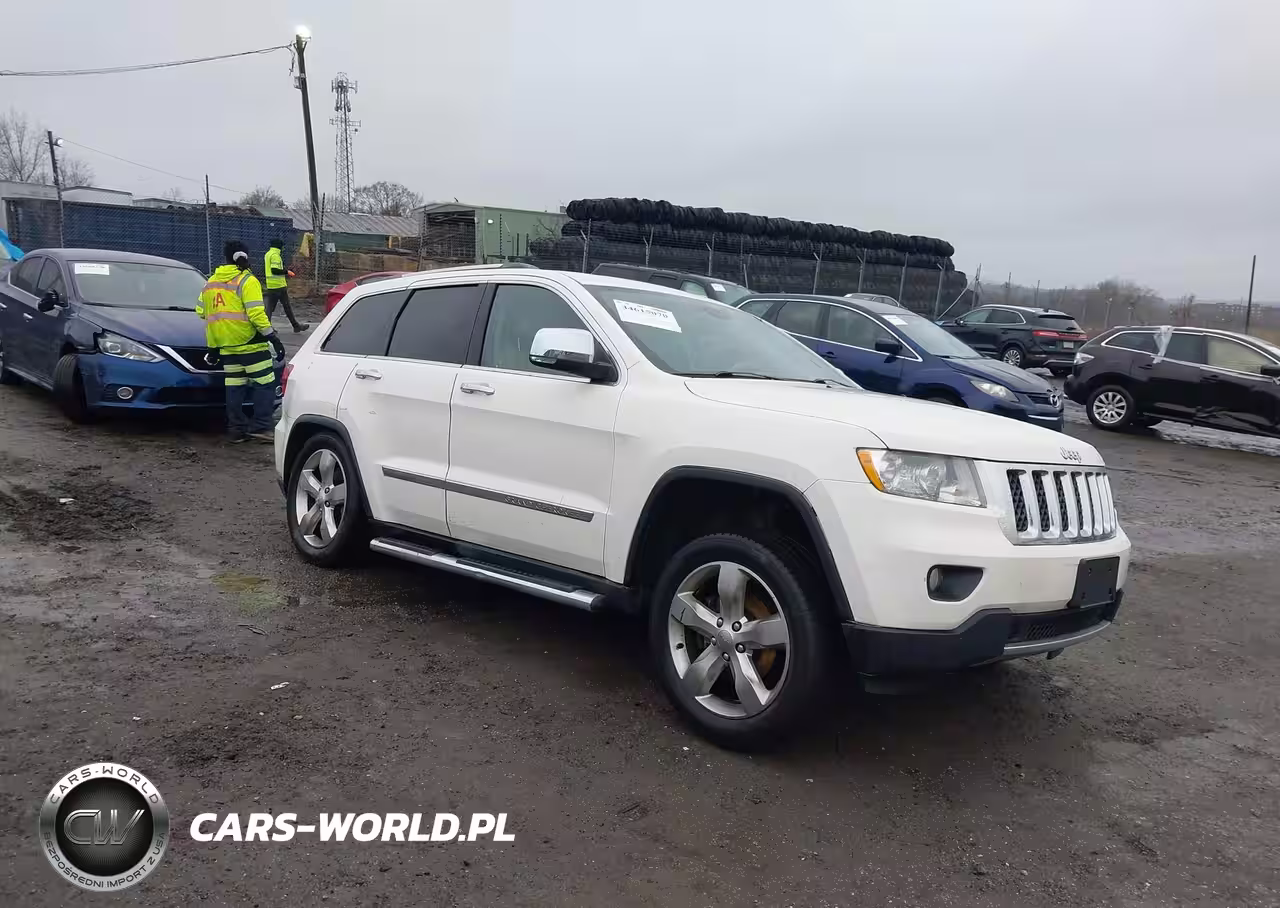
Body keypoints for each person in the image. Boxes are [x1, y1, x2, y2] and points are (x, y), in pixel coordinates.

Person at [196, 240, 287, 443]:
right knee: (265, 383)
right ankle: (261, 427)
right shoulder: (247, 280)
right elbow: (256, 314)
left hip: (226, 345)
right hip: (250, 343)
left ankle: (236, 430)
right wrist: (272, 337)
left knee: (235, 386)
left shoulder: (210, 282)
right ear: (244, 256)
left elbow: (201, 311)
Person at [263, 237, 308, 332]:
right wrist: (287, 272)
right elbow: (274, 270)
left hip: (272, 285)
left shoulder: (268, 254)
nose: (283, 248)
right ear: (279, 246)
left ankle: (295, 326)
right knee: (277, 307)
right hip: (278, 286)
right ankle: (267, 328)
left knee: (278, 307)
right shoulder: (275, 255)